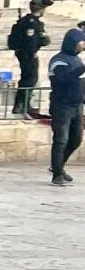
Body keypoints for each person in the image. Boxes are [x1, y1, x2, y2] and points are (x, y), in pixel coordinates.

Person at [48, 29, 84, 185]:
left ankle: (58, 167)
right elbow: (66, 78)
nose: (82, 45)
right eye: (81, 42)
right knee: (61, 140)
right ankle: (57, 174)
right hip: (62, 106)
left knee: (75, 140)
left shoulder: (77, 60)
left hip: (77, 106)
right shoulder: (58, 61)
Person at [11, 0, 52, 118]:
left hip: (25, 54)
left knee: (28, 79)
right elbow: (33, 41)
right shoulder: (32, 23)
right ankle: (21, 105)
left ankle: (22, 104)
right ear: (41, 8)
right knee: (29, 79)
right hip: (28, 55)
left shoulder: (28, 21)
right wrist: (33, 50)